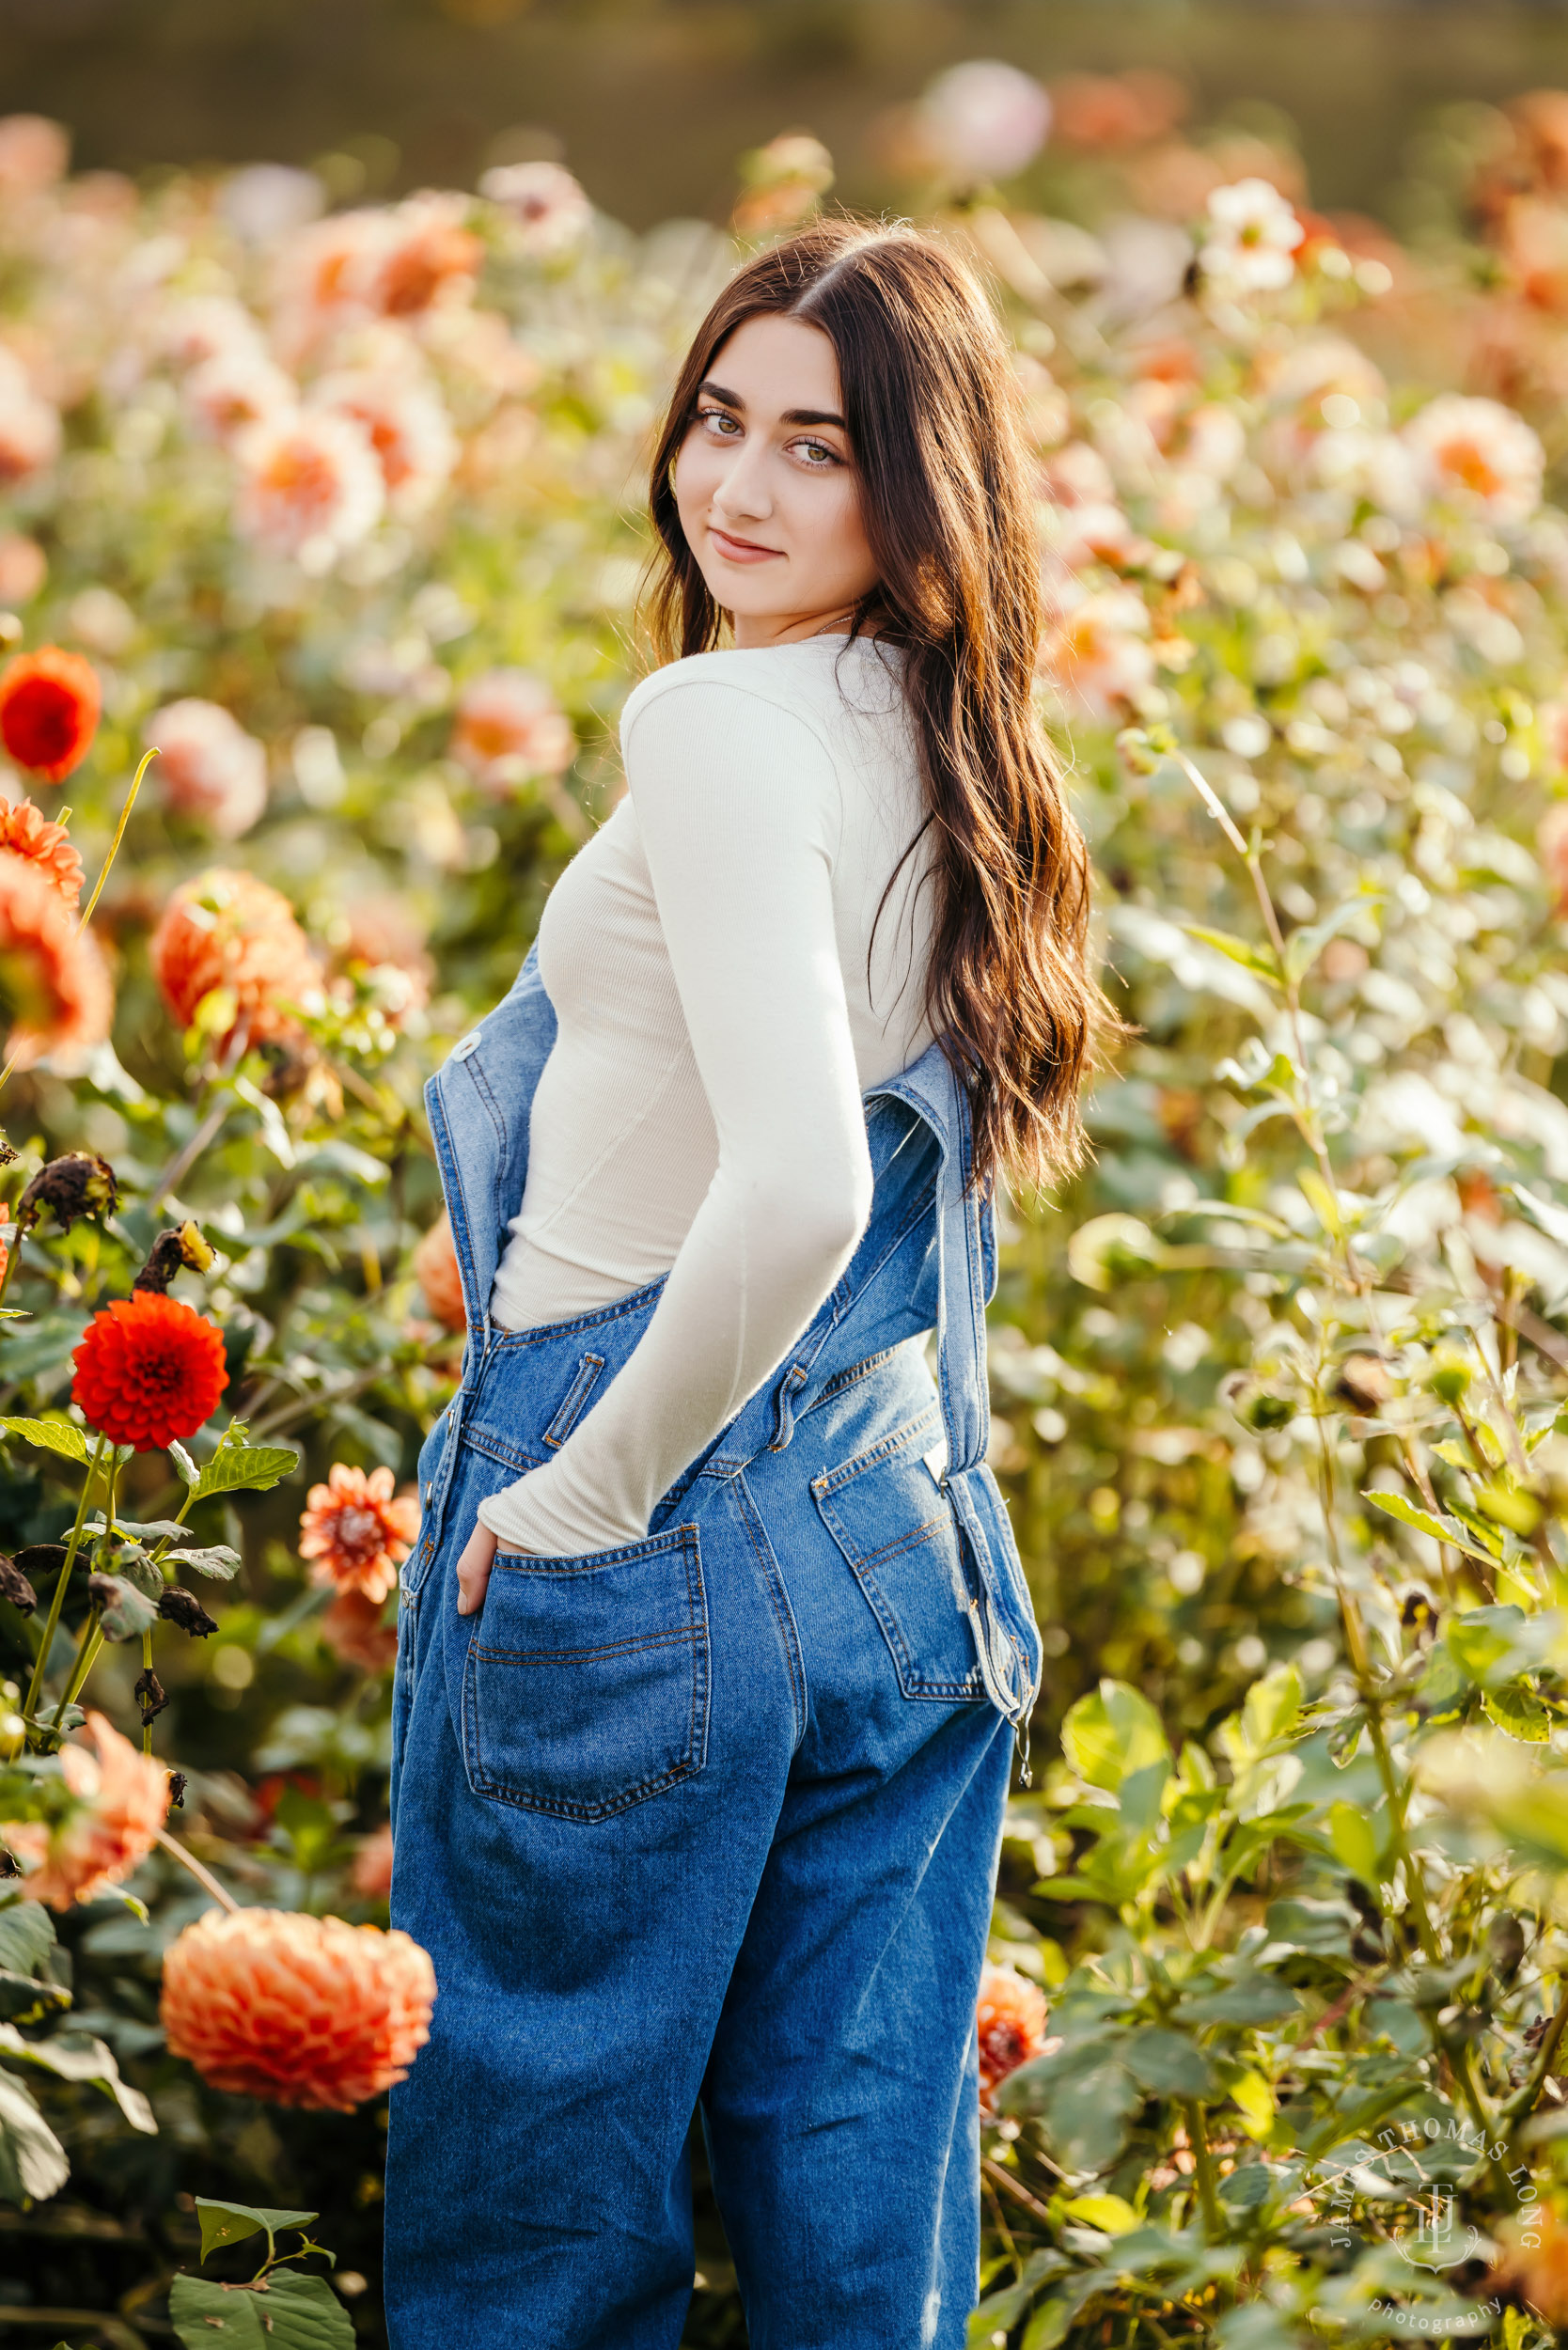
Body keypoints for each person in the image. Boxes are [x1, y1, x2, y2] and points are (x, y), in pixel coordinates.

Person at [384, 215, 1109, 2349]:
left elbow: (794, 1183)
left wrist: (585, 1488)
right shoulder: (947, 725)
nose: (741, 488)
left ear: (921, 485)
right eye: (722, 419)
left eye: (820, 447)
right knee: (858, 2228)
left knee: (539, 2235)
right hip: (890, 1515)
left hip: (646, 1493)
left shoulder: (715, 719)